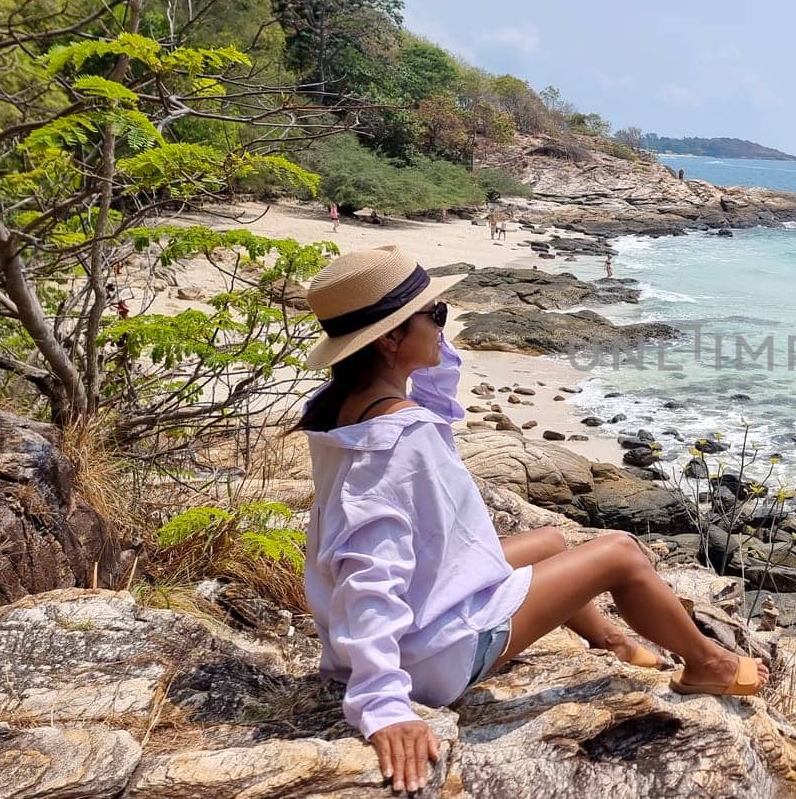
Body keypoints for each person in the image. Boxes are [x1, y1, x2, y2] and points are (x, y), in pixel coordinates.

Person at [295, 247, 768, 792]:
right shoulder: (401, 439)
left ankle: (613, 641)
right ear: (390, 338)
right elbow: (368, 570)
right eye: (437, 316)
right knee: (620, 553)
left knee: (549, 541)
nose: (446, 327)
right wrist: (384, 703)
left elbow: (437, 404)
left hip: (422, 615)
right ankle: (709, 663)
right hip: (433, 656)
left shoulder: (339, 409)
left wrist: (424, 343)